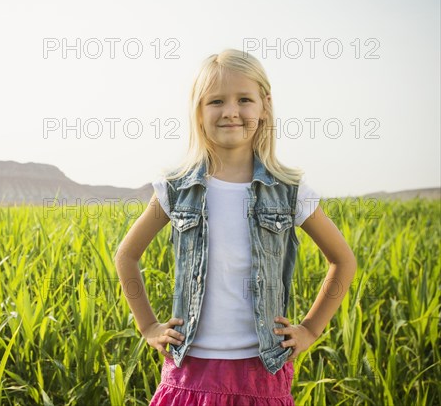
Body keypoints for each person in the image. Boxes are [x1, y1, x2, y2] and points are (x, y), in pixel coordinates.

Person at [114, 49, 357, 405]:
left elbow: (343, 261)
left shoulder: (289, 192)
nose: (230, 111)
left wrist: (310, 329)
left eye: (244, 99)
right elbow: (126, 255)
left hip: (261, 372)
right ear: (198, 111)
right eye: (216, 101)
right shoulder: (176, 188)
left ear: (264, 105)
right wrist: (148, 326)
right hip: (190, 370)